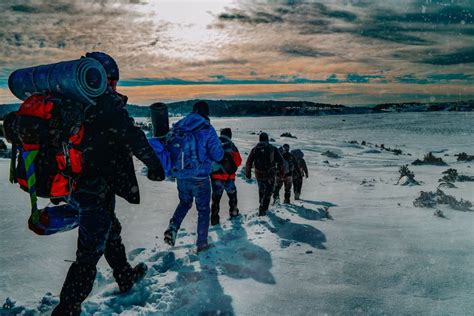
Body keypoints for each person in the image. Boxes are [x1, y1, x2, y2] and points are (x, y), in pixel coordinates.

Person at [52, 52, 165, 316]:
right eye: (112, 82)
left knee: (110, 230)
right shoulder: (106, 105)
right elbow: (133, 137)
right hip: (94, 188)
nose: (114, 88)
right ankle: (68, 308)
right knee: (89, 252)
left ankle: (124, 276)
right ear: (103, 80)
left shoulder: (70, 103)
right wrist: (155, 165)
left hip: (74, 185)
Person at [164, 101, 224, 251]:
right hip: (200, 178)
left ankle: (173, 227)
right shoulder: (206, 128)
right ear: (205, 113)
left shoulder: (179, 126)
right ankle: (202, 243)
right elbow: (218, 155)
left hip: (181, 176)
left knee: (184, 203)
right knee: (203, 209)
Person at [245, 132, 284, 216]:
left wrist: (248, 174)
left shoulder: (255, 149)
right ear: (267, 139)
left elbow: (248, 162)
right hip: (270, 175)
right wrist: (281, 173)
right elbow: (281, 162)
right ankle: (263, 209)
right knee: (268, 192)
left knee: (261, 190)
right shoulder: (272, 148)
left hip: (259, 174)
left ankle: (261, 206)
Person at [210, 128, 242, 225]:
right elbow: (239, 161)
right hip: (229, 178)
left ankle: (214, 219)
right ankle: (233, 213)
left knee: (216, 199)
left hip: (216, 177)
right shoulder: (232, 146)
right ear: (230, 135)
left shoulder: (214, 144)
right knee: (232, 196)